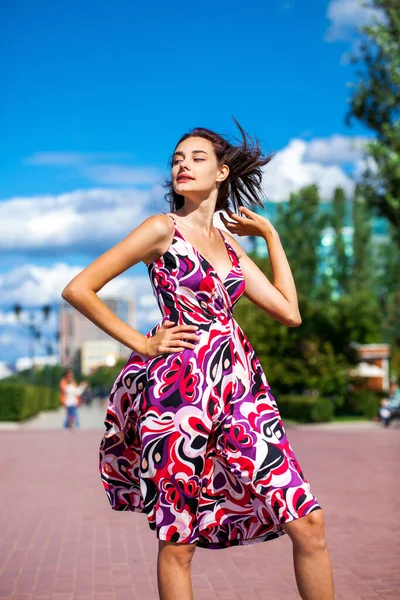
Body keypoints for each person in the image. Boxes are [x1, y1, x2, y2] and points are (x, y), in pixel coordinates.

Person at [61, 118, 335, 600]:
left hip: (241, 393)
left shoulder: (232, 250)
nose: (182, 165)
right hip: (179, 398)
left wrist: (270, 236)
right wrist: (141, 343)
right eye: (176, 159)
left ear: (222, 173)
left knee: (308, 521)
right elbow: (79, 288)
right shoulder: (159, 230)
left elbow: (289, 313)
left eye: (196, 158)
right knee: (179, 542)